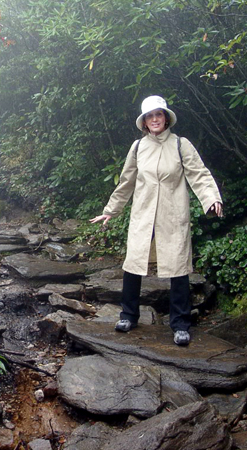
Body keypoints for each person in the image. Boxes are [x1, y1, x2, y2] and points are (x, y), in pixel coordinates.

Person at [90, 95, 223, 346]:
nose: (154, 119)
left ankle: (180, 324)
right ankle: (128, 315)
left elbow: (199, 174)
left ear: (166, 117)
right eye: (150, 116)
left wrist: (211, 199)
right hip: (143, 214)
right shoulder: (138, 147)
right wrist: (111, 210)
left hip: (173, 215)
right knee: (133, 265)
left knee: (178, 268)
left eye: (158, 115)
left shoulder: (180, 145)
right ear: (144, 122)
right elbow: (126, 181)